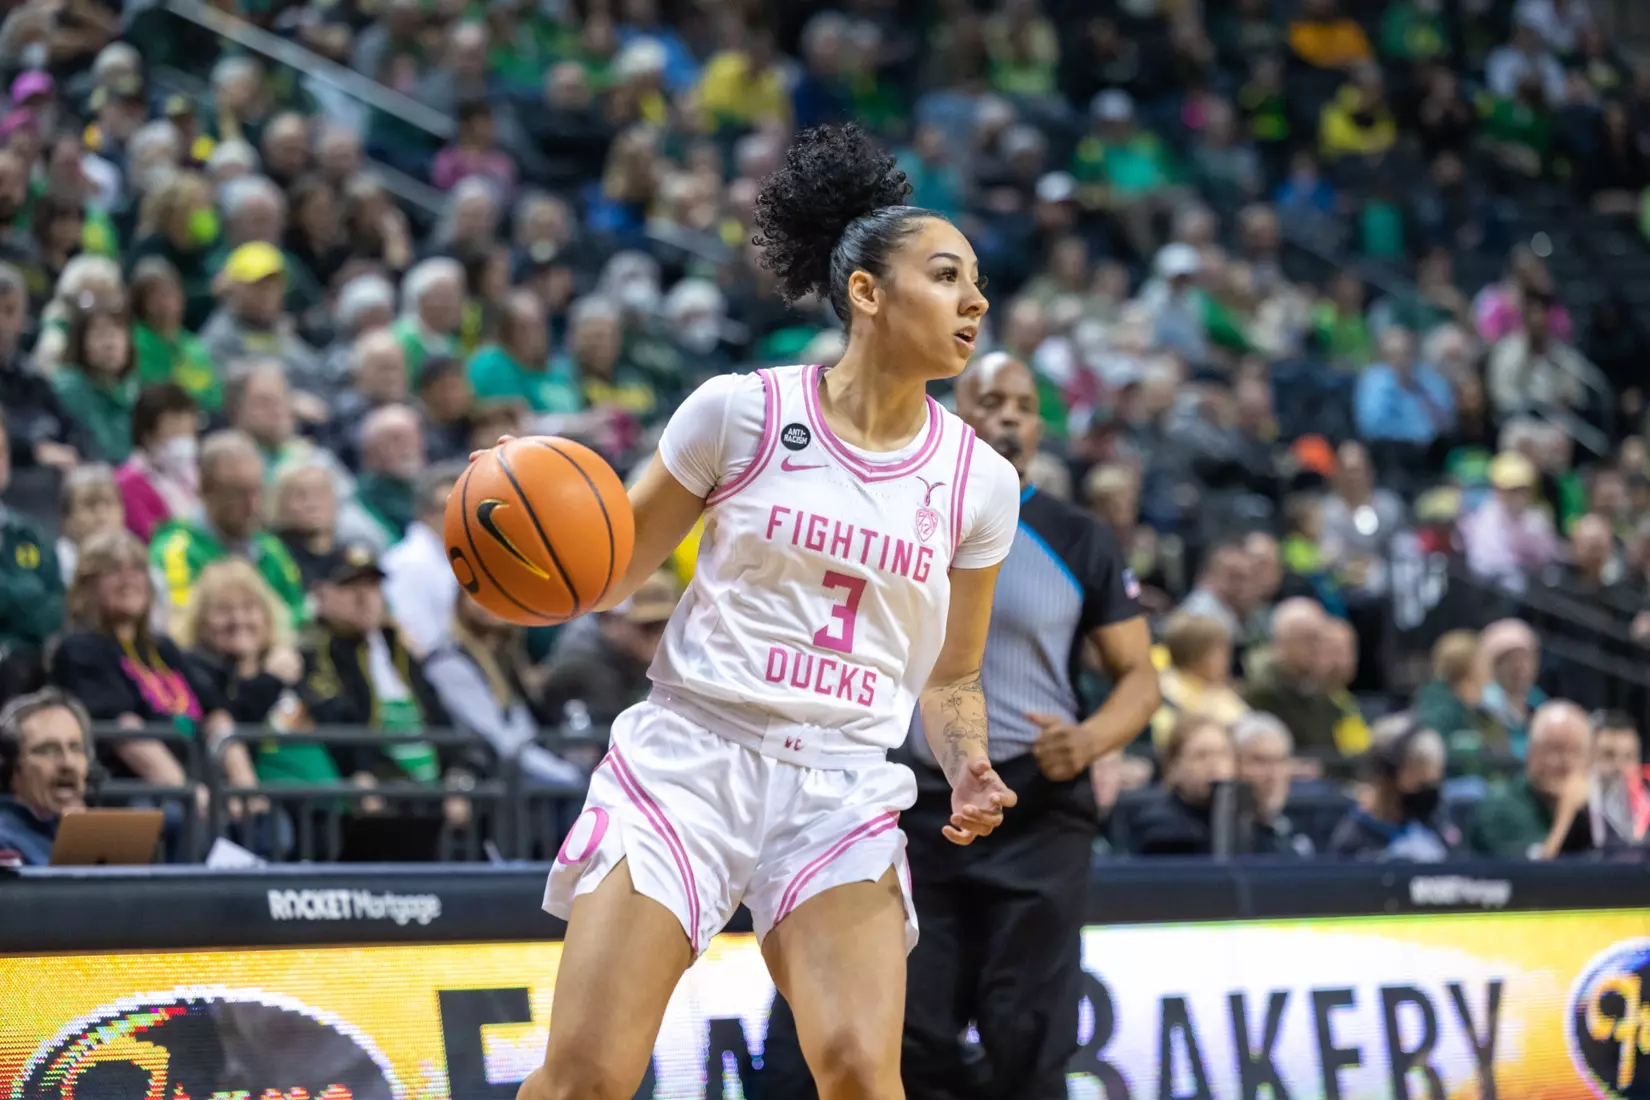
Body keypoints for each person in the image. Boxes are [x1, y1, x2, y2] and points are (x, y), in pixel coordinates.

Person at [511, 124, 1022, 1100]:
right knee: (583, 1076)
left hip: (838, 782)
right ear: (866, 292)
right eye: (948, 275)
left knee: (863, 1075)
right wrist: (535, 535)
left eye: (977, 284)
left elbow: (952, 672)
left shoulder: (979, 482)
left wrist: (968, 763)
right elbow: (610, 566)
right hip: (690, 758)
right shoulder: (736, 413)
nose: (976, 302)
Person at [1469, 700, 1608, 859]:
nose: (1566, 763)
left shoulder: (1596, 806)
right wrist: (1567, 812)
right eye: (1556, 749)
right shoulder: (1499, 807)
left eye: (1576, 751)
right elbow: (1530, 875)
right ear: (1531, 752)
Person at [1326, 715, 1457, 861]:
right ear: (1386, 775)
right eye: (1421, 783)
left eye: (1432, 783)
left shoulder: (1434, 823)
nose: (1427, 792)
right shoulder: (1351, 841)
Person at [0, 688, 93, 867]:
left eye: (75, 748)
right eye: (47, 750)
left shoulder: (106, 837)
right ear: (10, 768)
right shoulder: (5, 842)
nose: (68, 763)